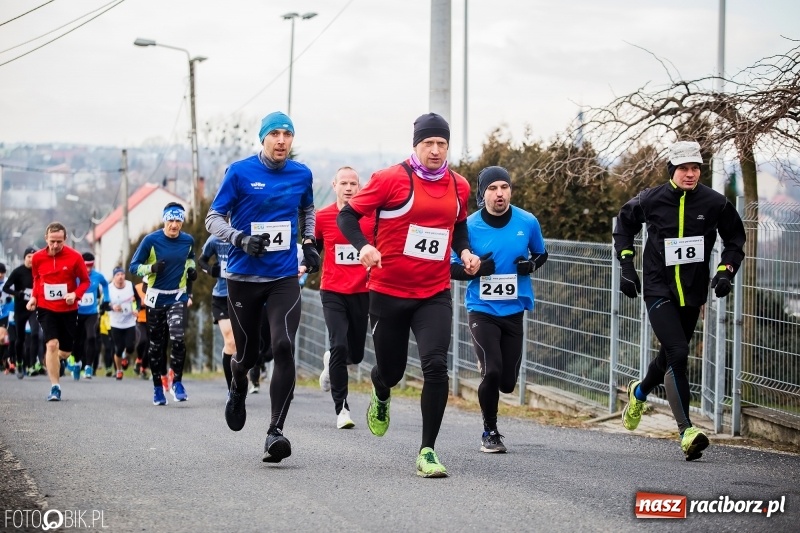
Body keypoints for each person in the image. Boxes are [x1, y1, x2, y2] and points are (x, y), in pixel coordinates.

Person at [337, 113, 481, 477]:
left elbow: (459, 225)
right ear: (415, 144)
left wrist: (463, 252)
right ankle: (381, 389)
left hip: (433, 293)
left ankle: (427, 451)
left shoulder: (459, 185)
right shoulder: (390, 180)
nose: (435, 150)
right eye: (428, 143)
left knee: (435, 366)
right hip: (388, 291)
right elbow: (348, 217)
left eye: (442, 144)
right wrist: (363, 247)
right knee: (392, 371)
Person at [613, 141, 746, 461]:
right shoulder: (650, 199)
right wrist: (628, 267)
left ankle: (640, 391)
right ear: (672, 170)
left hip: (693, 291)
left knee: (669, 355)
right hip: (658, 288)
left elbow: (736, 239)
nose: (690, 174)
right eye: (684, 168)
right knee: (678, 352)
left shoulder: (715, 202)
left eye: (695, 168)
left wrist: (727, 271)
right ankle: (686, 431)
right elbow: (624, 226)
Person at [206, 110, 319, 464]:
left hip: (284, 276)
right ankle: (238, 385)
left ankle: (275, 432)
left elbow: (307, 210)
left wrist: (311, 241)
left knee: (283, 345)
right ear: (263, 138)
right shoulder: (239, 172)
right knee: (248, 355)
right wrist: (239, 238)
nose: (282, 140)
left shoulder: (301, 174)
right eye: (275, 134)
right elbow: (213, 218)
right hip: (242, 279)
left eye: (288, 134)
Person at [450, 166, 547, 453]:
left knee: (506, 383)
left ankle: (497, 385)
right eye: (492, 188)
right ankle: (489, 431)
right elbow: (449, 267)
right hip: (481, 309)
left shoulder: (527, 221)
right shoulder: (468, 226)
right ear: (483, 194)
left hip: (514, 310)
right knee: (491, 371)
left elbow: (541, 252)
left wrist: (531, 266)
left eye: (504, 187)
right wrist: (475, 273)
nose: (499, 193)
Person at [315, 166, 374, 429]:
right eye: (344, 183)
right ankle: (342, 409)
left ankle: (332, 362)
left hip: (363, 292)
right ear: (334, 185)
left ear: (359, 187)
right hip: (333, 291)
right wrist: (306, 264)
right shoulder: (323, 217)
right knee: (338, 343)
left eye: (353, 184)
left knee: (356, 355)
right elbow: (314, 248)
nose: (349, 188)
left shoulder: (370, 217)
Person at [129, 202, 196, 406]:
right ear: (164, 220)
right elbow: (133, 267)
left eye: (178, 221)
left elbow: (190, 259)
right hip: (155, 298)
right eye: (171, 220)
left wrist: (191, 270)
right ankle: (158, 387)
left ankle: (177, 383)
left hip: (177, 297)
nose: (174, 225)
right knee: (156, 345)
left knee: (178, 339)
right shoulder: (151, 240)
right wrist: (151, 268)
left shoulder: (188, 240)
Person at [27, 223, 90, 401]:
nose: (55, 245)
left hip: (69, 309)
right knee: (52, 344)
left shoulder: (75, 257)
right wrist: (34, 297)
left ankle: (54, 359)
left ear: (65, 239)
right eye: (52, 241)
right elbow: (37, 279)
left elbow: (85, 281)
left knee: (65, 352)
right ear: (46, 238)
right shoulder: (38, 258)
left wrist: (75, 294)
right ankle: (55, 387)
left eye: (59, 242)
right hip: (46, 308)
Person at [197, 234, 236, 393]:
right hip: (221, 297)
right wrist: (211, 270)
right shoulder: (215, 240)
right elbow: (202, 261)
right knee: (231, 341)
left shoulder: (247, 233)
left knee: (241, 346)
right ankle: (231, 389)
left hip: (242, 296)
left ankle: (240, 375)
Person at [2, 248, 42, 377]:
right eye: (29, 256)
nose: (31, 259)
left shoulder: (39, 271)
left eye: (34, 256)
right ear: (25, 258)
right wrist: (17, 293)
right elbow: (6, 287)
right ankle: (19, 362)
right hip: (20, 308)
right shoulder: (18, 272)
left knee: (35, 334)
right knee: (20, 338)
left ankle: (31, 365)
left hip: (34, 307)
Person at [73, 252, 109, 380]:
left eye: (90, 266)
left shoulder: (97, 276)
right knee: (77, 341)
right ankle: (77, 363)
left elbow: (105, 285)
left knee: (91, 337)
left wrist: (106, 300)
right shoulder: (75, 275)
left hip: (91, 313)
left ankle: (88, 366)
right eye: (85, 266)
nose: (88, 269)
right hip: (76, 313)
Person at [106, 267, 139, 382]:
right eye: (117, 275)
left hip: (129, 321)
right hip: (116, 323)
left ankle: (126, 356)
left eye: (122, 274)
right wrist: (112, 307)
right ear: (114, 277)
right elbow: (103, 305)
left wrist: (136, 309)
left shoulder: (130, 285)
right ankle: (119, 370)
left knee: (130, 346)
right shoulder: (109, 288)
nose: (120, 277)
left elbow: (138, 300)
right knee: (118, 348)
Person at [132, 281, 150, 380]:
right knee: (142, 340)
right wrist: (139, 304)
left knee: (150, 345)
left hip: (152, 319)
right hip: (140, 319)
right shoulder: (137, 287)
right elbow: (131, 300)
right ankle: (139, 359)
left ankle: (143, 368)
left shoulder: (157, 287)